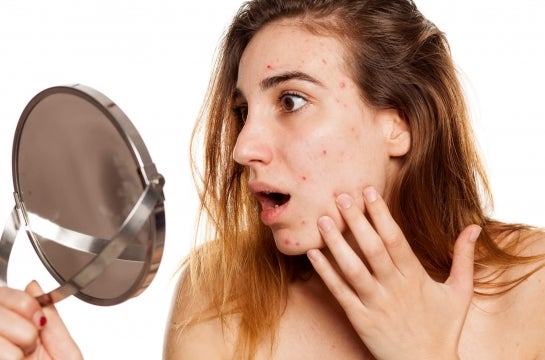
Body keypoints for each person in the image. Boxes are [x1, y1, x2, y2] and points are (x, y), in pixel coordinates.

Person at [1, 0, 544, 359]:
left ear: (397, 122)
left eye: (291, 100)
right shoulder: (220, 298)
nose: (242, 148)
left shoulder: (533, 286)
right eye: (243, 111)